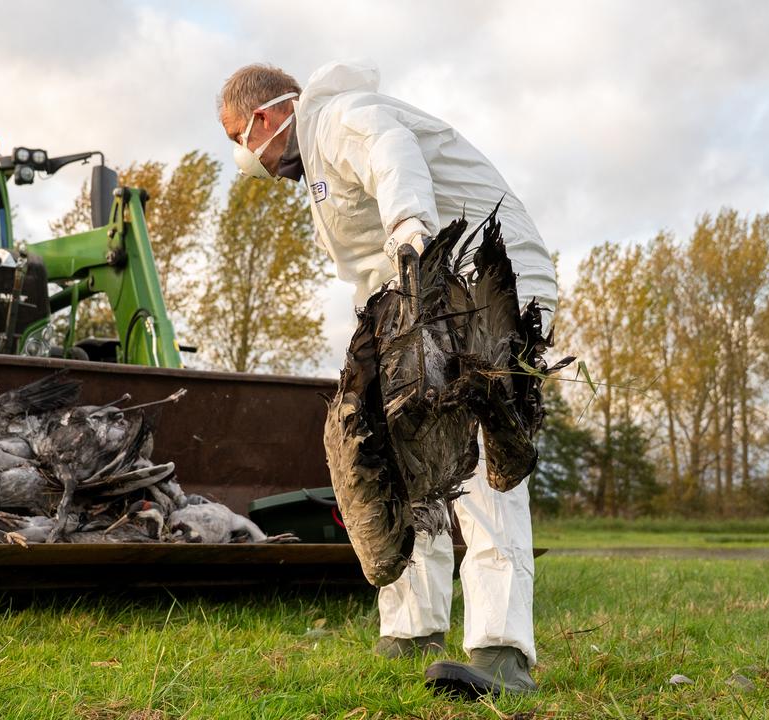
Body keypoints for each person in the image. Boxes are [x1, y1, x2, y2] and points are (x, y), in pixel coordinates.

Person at [216, 60, 558, 699]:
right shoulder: (316, 168)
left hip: (485, 275)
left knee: (481, 457)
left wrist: (409, 230)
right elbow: (365, 266)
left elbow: (391, 153)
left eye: (240, 139)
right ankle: (411, 629)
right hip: (420, 286)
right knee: (396, 451)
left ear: (263, 118)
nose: (248, 157)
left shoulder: (337, 118)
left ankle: (501, 653)